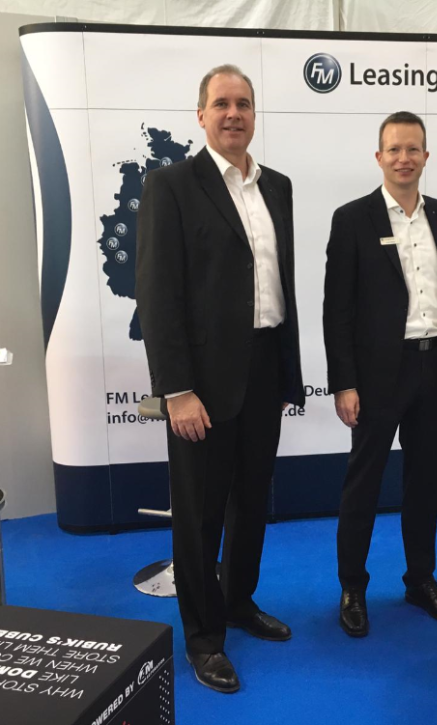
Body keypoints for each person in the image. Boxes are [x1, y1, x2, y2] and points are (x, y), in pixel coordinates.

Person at [135, 64, 304, 692]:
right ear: (201, 115)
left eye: (244, 104)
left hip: (264, 367)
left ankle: (237, 601)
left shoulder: (277, 186)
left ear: (254, 114)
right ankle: (204, 637)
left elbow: (278, 283)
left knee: (252, 500)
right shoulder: (172, 185)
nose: (234, 114)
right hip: (201, 384)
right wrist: (177, 390)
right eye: (222, 103)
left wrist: (286, 372)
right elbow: (158, 294)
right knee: (200, 514)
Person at [323, 111, 437, 637]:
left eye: (413, 149)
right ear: (379, 157)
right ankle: (352, 587)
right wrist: (344, 382)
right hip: (376, 374)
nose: (404, 158)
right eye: (394, 149)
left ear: (426, 156)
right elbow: (337, 310)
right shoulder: (353, 218)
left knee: (426, 481)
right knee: (363, 483)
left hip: (434, 365)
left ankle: (420, 580)